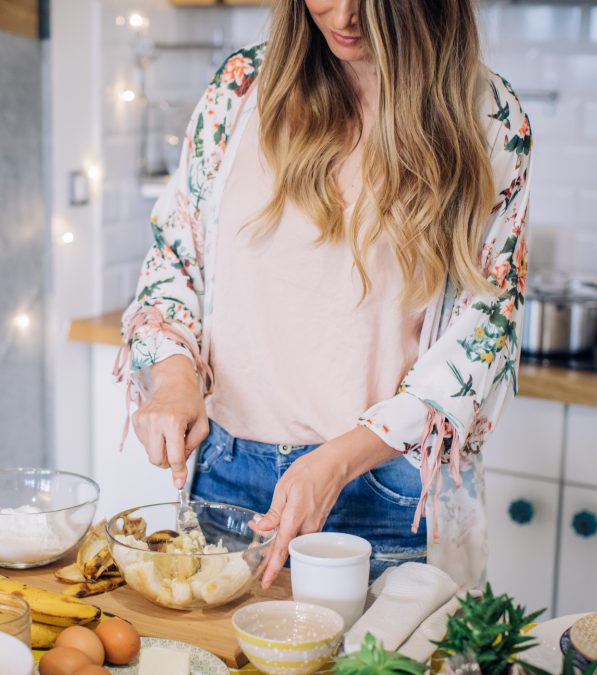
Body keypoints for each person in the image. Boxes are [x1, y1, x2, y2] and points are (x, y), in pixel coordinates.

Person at [115, 0, 532, 591]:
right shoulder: (240, 91)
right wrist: (175, 375)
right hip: (227, 477)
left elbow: (485, 330)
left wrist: (339, 461)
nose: (344, 15)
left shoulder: (488, 117)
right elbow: (174, 258)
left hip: (385, 492)